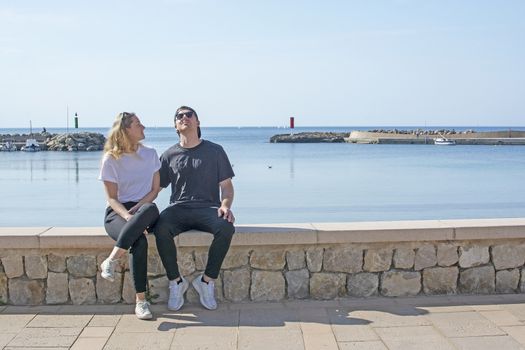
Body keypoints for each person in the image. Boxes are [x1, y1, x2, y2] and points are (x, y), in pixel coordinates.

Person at [155, 105, 235, 311]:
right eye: (179, 116)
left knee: (226, 227)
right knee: (160, 228)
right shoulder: (168, 155)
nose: (184, 118)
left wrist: (225, 206)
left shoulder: (215, 151)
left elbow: (226, 187)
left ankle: (206, 281)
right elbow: (155, 189)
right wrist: (135, 208)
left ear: (197, 122)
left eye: (189, 115)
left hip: (208, 208)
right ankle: (176, 282)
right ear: (175, 126)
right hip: (178, 209)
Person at [98, 112, 161, 320]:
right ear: (126, 130)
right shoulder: (111, 159)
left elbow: (154, 190)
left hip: (144, 208)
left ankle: (112, 259)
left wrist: (137, 211)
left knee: (152, 209)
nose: (143, 127)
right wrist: (128, 217)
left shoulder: (150, 154)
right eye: (138, 124)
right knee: (139, 241)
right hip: (117, 213)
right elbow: (112, 199)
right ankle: (141, 302)